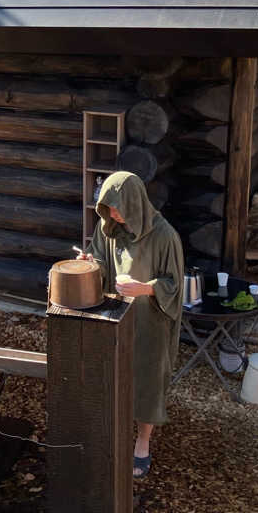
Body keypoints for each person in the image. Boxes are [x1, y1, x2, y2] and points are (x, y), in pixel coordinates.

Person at [81, 171, 184, 479]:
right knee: (114, 374)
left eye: (117, 207)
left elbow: (174, 284)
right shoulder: (109, 227)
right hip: (116, 315)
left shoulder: (165, 236)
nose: (112, 214)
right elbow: (101, 258)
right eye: (108, 208)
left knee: (147, 380)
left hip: (151, 319)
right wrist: (90, 263)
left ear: (134, 203)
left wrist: (145, 288)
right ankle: (114, 431)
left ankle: (142, 441)